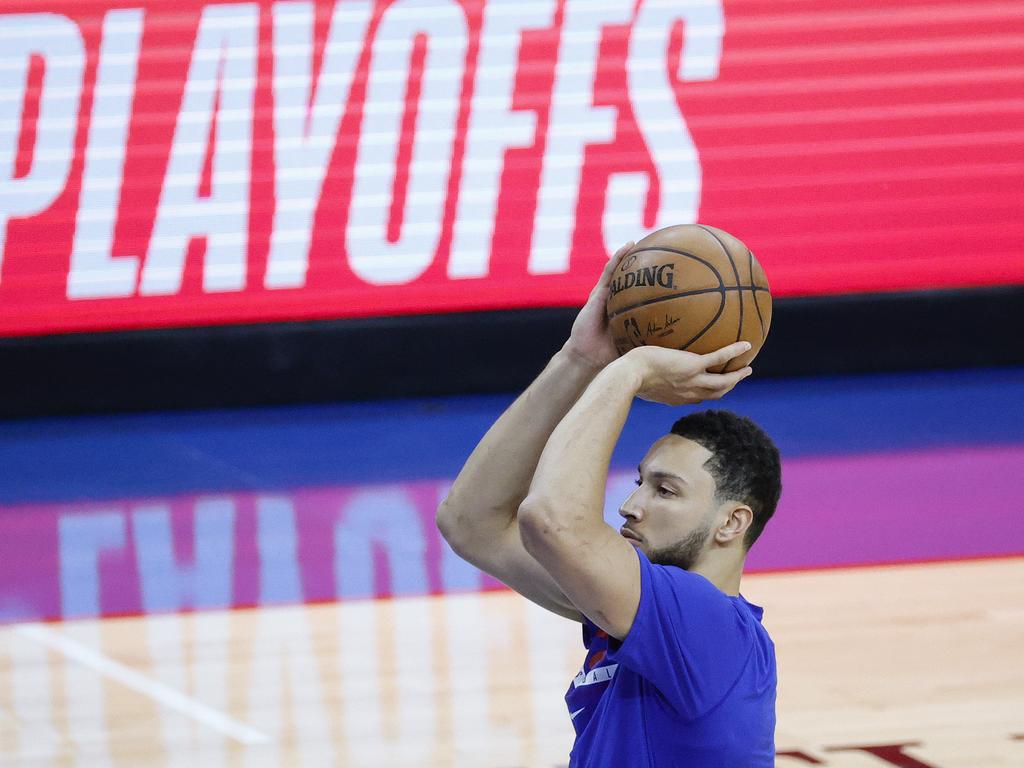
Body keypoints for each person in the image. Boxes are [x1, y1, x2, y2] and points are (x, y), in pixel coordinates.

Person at [436, 242, 782, 767]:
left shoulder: (706, 625)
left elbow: (551, 520)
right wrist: (580, 360)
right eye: (640, 482)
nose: (630, 505)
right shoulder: (638, 616)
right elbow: (470, 522)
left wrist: (628, 371)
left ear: (732, 523)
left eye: (665, 491)